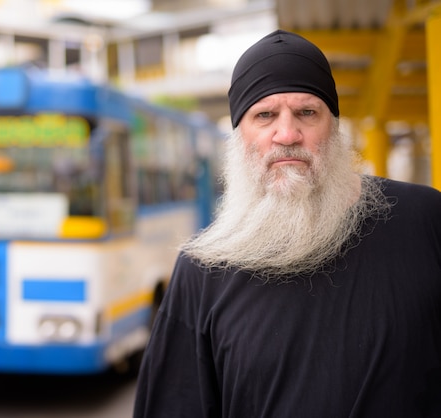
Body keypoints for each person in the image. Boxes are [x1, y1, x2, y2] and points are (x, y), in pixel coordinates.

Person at [133, 29, 441, 417]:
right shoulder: (203, 269)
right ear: (239, 137)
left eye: (306, 113)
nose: (287, 134)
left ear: (333, 127)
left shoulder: (425, 222)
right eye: (264, 115)